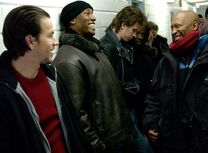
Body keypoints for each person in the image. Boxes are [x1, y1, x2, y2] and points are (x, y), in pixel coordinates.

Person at [0, 5, 93, 153]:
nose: (55, 42)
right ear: (30, 41)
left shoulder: (54, 77)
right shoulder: (5, 92)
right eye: (50, 35)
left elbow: (73, 130)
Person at [143, 10, 208, 153]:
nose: (173, 31)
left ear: (194, 26)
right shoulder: (166, 61)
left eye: (178, 26)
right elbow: (154, 96)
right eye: (171, 27)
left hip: (207, 144)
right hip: (173, 143)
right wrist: (151, 123)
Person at [52, 1, 134, 153]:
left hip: (118, 139)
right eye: (87, 13)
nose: (94, 18)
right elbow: (77, 114)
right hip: (106, 145)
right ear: (72, 20)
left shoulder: (94, 50)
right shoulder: (68, 59)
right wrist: (97, 147)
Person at [100, 6, 154, 153]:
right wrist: (135, 87)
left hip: (128, 107)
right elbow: (108, 84)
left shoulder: (124, 45)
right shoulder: (106, 47)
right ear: (123, 24)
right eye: (134, 30)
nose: (135, 35)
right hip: (119, 110)